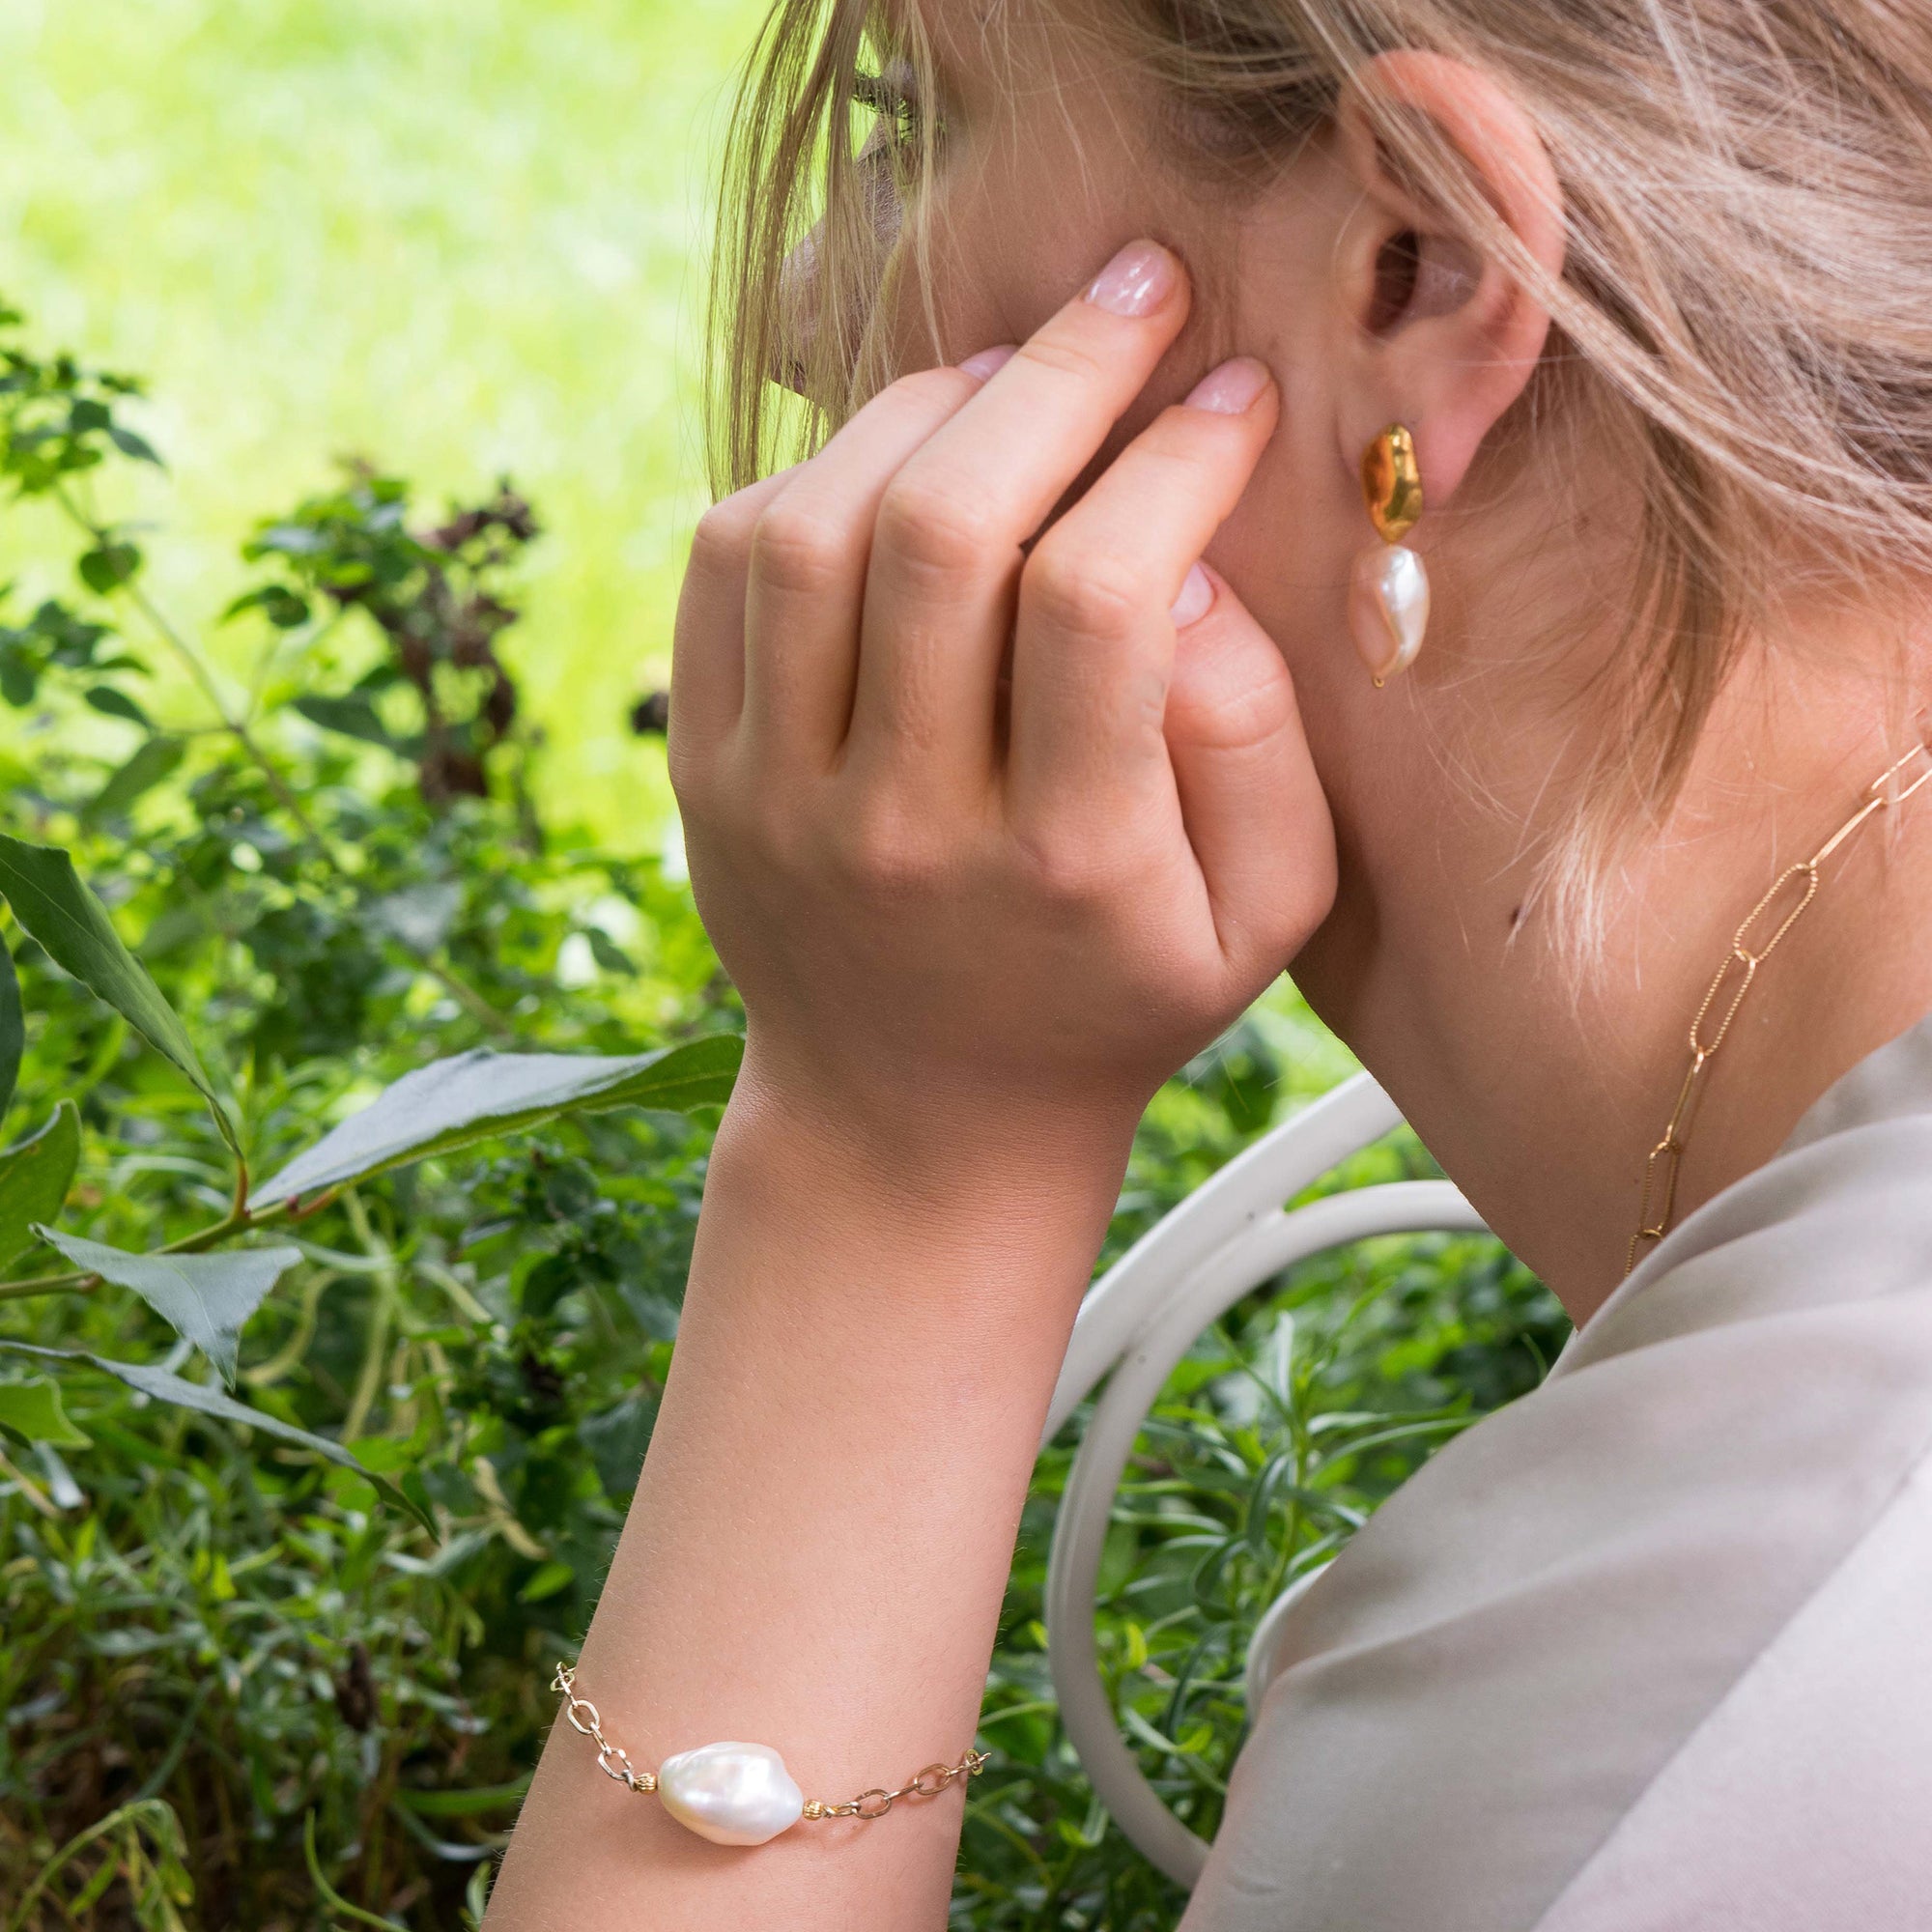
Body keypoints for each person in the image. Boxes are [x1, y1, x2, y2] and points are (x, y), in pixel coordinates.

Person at [484, 0, 1932, 1924]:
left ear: (1421, 273)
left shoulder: (1686, 1684)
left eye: (917, 125)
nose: (795, 316)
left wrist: (898, 1164)